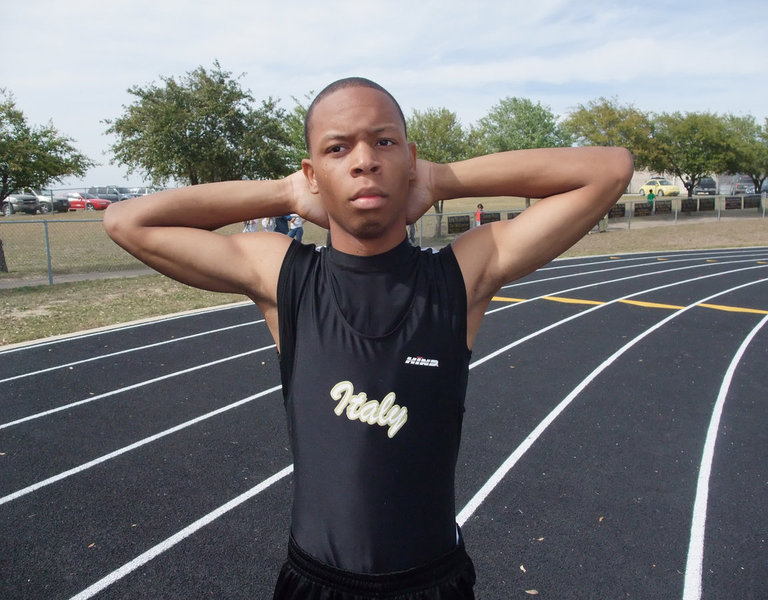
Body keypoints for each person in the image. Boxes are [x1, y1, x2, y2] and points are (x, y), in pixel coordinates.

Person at [104, 77, 632, 599]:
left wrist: (439, 180)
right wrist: (288, 193)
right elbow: (128, 220)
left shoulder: (461, 275)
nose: (364, 161)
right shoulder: (284, 276)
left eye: (384, 142)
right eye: (337, 149)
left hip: (432, 584)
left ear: (410, 158)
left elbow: (609, 169)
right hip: (316, 584)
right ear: (312, 171)